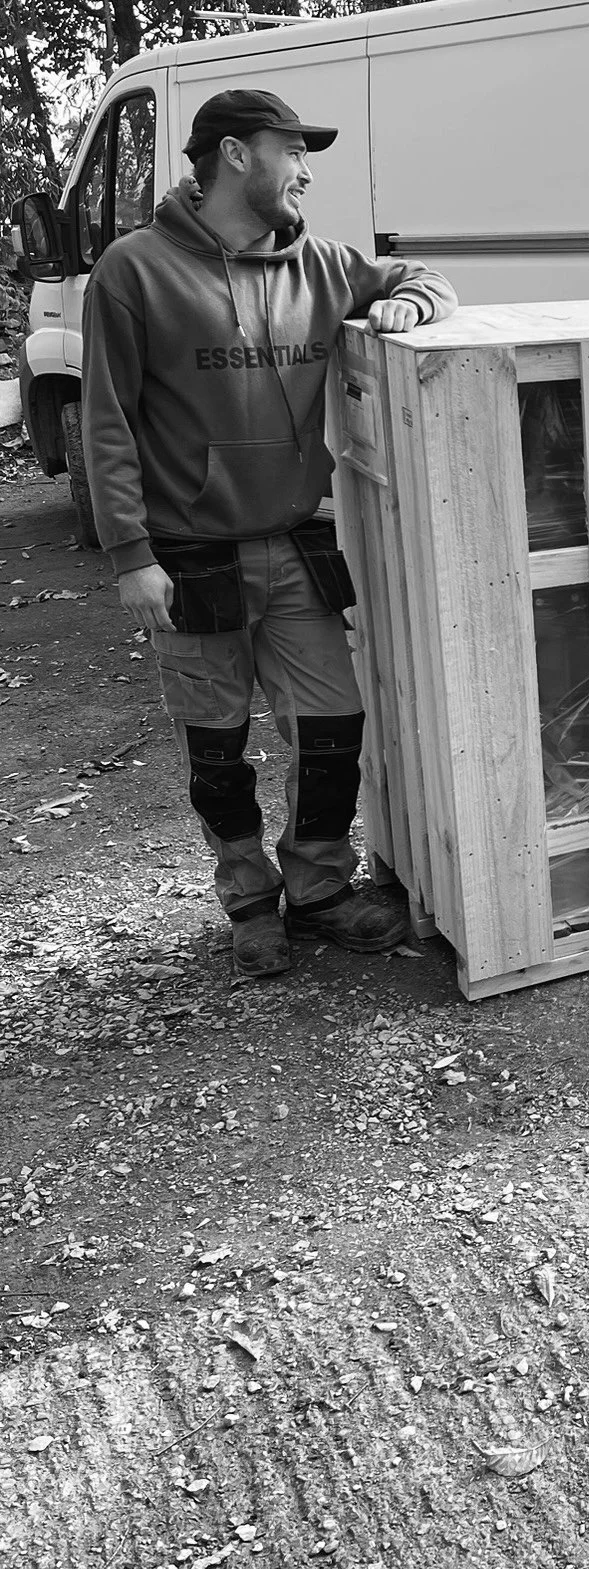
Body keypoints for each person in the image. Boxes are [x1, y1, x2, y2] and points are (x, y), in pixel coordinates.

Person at [80, 87, 458, 979]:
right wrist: (130, 555)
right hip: (188, 555)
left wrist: (414, 304)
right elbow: (106, 422)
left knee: (334, 725)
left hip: (294, 544)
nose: (305, 168)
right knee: (216, 748)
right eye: (291, 149)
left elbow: (423, 277)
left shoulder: (321, 265)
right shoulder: (133, 271)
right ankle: (249, 901)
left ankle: (320, 888)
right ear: (236, 156)